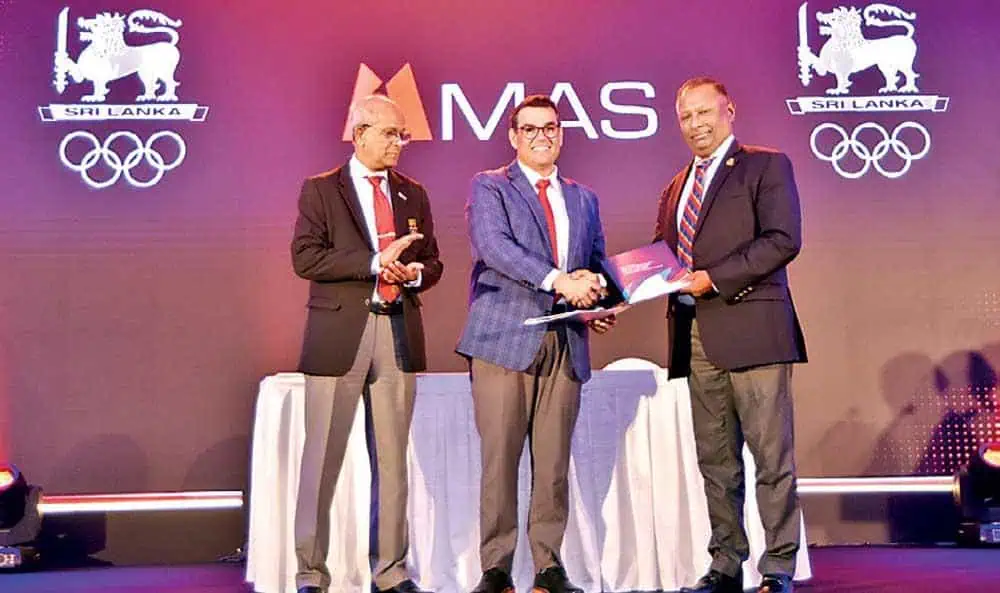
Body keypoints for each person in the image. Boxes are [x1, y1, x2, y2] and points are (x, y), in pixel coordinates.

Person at [653, 77, 807, 593]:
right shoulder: (675, 186)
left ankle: (779, 566)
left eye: (704, 113)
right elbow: (662, 256)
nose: (696, 125)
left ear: (729, 111)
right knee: (716, 461)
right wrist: (633, 281)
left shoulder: (766, 165)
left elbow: (783, 239)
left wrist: (714, 278)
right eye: (686, 117)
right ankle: (724, 564)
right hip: (696, 336)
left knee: (770, 458)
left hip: (754, 330)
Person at [456, 94, 614, 593]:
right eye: (530, 129)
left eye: (550, 128)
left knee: (552, 465)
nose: (541, 136)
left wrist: (596, 295)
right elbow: (496, 248)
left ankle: (548, 565)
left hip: (565, 340)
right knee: (500, 461)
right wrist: (559, 282)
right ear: (513, 137)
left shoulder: (584, 197)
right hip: (504, 340)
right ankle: (496, 567)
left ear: (561, 134)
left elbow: (595, 259)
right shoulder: (490, 187)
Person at [290, 94, 443, 593]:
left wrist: (416, 272)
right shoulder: (321, 191)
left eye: (403, 135)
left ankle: (392, 572)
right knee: (322, 461)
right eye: (389, 133)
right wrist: (375, 262)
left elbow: (435, 261)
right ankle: (311, 573)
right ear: (359, 134)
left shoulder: (413, 193)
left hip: (397, 331)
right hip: (341, 336)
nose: (399, 143)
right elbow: (306, 259)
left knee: (394, 462)